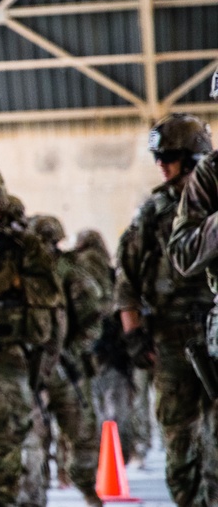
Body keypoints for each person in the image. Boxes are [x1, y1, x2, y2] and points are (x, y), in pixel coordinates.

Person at [115, 112, 218, 507]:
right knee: (179, 440)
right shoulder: (153, 213)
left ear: (194, 157)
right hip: (174, 340)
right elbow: (126, 280)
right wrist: (134, 334)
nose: (162, 165)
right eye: (158, 157)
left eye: (170, 156)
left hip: (212, 328)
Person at [0, 163, 65, 507]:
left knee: (6, 448)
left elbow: (50, 300)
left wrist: (9, 283)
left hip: (5, 357)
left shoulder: (23, 246)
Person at [29, 216, 104, 507]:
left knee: (78, 430)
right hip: (39, 366)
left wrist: (73, 351)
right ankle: (52, 489)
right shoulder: (31, 269)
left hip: (61, 366)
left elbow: (92, 313)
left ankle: (84, 488)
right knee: (38, 435)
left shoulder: (66, 270)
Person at [79, 229, 153, 468]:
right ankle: (121, 456)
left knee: (102, 411)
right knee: (118, 410)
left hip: (99, 355)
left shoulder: (78, 277)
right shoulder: (112, 278)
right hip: (113, 356)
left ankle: (112, 458)